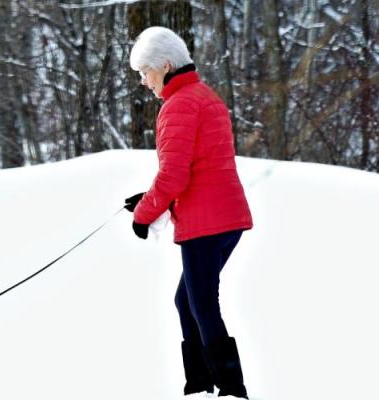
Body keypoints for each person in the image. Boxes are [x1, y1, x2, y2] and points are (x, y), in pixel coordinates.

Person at [124, 26, 253, 399]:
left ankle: (230, 389)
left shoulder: (178, 105)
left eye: (145, 72)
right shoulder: (204, 96)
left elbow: (174, 176)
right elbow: (197, 166)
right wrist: (149, 199)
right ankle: (200, 385)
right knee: (188, 301)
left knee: (201, 303)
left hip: (205, 222)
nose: (145, 82)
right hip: (226, 216)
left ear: (165, 65)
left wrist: (144, 215)